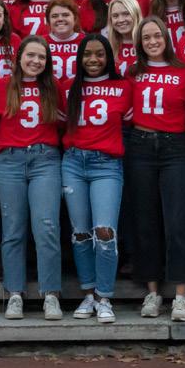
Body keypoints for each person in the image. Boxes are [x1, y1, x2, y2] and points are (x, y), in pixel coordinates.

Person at [0, 36, 64, 320]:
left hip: (45, 160)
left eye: (41, 57)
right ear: (19, 57)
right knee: (13, 229)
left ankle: (51, 293)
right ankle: (14, 293)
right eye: (30, 55)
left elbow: (63, 122)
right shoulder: (1, 86)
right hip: (9, 161)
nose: (35, 61)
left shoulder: (53, 87)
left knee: (46, 226)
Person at [126, 17, 185, 321]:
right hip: (141, 145)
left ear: (166, 38)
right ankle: (152, 292)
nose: (153, 41)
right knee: (145, 220)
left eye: (157, 36)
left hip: (174, 147)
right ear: (139, 43)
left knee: (177, 220)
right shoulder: (133, 72)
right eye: (146, 38)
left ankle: (181, 295)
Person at [61, 34, 133, 323]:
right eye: (87, 54)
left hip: (106, 164)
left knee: (105, 232)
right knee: (80, 234)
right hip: (73, 163)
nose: (93, 59)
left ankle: (104, 297)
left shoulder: (123, 86)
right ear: (79, 58)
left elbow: (129, 122)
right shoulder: (68, 87)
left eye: (99, 54)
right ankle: (88, 294)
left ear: (108, 57)